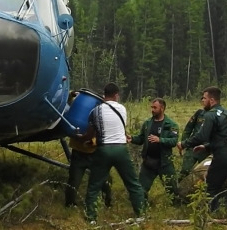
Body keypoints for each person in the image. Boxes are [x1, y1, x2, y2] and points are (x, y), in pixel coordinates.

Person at [80, 83, 145, 224]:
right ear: (116, 95)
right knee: (133, 183)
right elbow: (118, 128)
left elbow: (91, 133)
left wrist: (84, 139)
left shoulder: (95, 111)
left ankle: (91, 218)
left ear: (104, 95)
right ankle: (140, 214)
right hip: (121, 149)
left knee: (94, 185)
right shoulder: (122, 109)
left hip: (103, 150)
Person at [128, 98, 179, 201]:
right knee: (141, 190)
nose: (152, 109)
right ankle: (143, 207)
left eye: (155, 107)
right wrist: (132, 138)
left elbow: (173, 141)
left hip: (164, 163)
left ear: (162, 108)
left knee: (173, 190)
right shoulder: (147, 123)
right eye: (152, 107)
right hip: (149, 162)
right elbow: (141, 138)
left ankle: (177, 209)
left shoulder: (171, 125)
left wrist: (160, 140)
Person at [65, 135, 112, 207]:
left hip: (95, 152)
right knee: (74, 180)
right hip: (79, 152)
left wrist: (94, 141)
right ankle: (70, 204)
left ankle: (107, 203)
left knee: (104, 178)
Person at [178, 108, 209, 180]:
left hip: (206, 149)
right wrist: (184, 143)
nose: (203, 101)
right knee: (185, 171)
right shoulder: (199, 113)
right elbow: (188, 128)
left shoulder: (215, 115)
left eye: (205, 98)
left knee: (204, 172)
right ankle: (179, 189)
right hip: (192, 146)